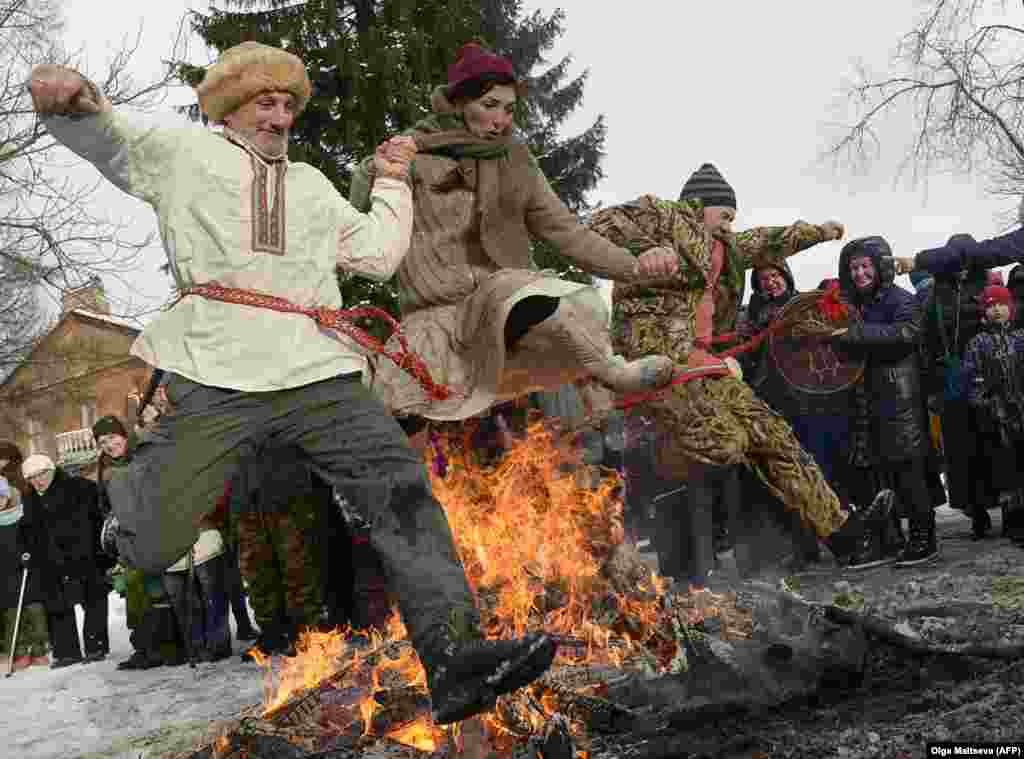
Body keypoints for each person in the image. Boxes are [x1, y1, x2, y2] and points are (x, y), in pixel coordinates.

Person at [29, 42, 555, 723]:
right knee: (157, 538)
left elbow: (375, 250)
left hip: (317, 369)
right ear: (229, 109)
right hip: (219, 365)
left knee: (400, 486)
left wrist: (393, 179)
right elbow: (113, 141)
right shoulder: (186, 155)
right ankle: (122, 521)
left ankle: (453, 657)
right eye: (263, 104)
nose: (279, 119)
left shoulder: (309, 186)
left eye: (287, 106)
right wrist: (70, 99)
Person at [352, 42, 675, 430]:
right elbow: (365, 226)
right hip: (436, 319)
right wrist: (378, 171)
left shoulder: (517, 161)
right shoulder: (412, 156)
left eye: (508, 108)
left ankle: (609, 371)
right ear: (457, 103)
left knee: (529, 294)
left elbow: (567, 232)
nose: (501, 120)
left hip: (506, 311)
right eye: (490, 105)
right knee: (395, 416)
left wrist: (634, 265)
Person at [586, 171, 893, 577]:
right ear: (698, 205)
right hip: (653, 362)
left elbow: (769, 239)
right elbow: (595, 227)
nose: (730, 225)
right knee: (727, 441)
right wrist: (645, 250)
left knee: (775, 438)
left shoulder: (726, 248)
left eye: (734, 218)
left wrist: (819, 232)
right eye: (725, 215)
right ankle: (658, 502)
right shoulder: (659, 215)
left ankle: (847, 536)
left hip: (703, 364)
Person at [834, 237, 938, 567]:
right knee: (873, 474)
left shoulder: (901, 299)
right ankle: (887, 539)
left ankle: (924, 538)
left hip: (899, 396)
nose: (860, 273)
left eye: (865, 266)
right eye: (853, 268)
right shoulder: (850, 304)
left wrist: (855, 335)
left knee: (907, 470)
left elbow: (907, 333)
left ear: (879, 266)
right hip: (864, 399)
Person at [92, 415, 185, 670]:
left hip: (155, 534)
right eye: (102, 442)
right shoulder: (105, 469)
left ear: (123, 434)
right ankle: (145, 649)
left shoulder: (143, 453)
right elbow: (106, 508)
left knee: (161, 592)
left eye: (112, 437)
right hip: (127, 542)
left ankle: (173, 647)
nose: (109, 445)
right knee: (135, 595)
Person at [229, 444, 325, 660]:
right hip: (246, 497)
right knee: (257, 573)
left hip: (287, 491)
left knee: (297, 567)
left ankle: (305, 632)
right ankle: (271, 633)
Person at [18, 454, 110, 667]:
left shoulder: (79, 487)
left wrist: (100, 550)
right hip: (49, 560)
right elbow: (26, 531)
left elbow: (97, 517)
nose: (38, 480)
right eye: (32, 477)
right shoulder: (30, 499)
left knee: (93, 598)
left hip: (84, 554)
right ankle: (66, 651)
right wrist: (27, 551)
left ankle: (96, 646)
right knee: (57, 605)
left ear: (53, 469)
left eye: (42, 474)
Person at [962, 285, 1024, 544]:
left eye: (1000, 304)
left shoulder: (1021, 337)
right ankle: (1014, 522)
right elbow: (970, 380)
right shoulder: (978, 343)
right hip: (997, 416)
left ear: (1011, 307)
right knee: (1007, 470)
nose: (996, 310)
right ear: (983, 312)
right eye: (990, 305)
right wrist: (985, 402)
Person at [0, 476, 49, 670]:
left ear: (8, 496)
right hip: (5, 576)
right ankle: (19, 652)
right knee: (13, 617)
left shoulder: (22, 516)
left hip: (27, 573)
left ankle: (39, 650)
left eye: (1, 496)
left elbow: (34, 540)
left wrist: (30, 553)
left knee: (36, 612)